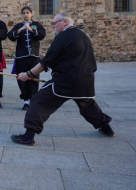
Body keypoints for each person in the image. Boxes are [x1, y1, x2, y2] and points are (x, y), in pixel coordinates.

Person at [11, 13, 114, 146]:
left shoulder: (64, 37)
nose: (53, 26)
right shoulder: (82, 35)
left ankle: (28, 136)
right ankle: (107, 129)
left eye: (55, 23)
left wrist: (28, 74)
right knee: (87, 105)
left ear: (65, 22)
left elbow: (47, 61)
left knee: (38, 101)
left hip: (66, 81)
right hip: (85, 81)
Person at [8, 6, 46, 110]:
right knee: (21, 78)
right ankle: (25, 101)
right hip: (21, 57)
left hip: (33, 56)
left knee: (33, 78)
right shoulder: (18, 26)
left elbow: (42, 35)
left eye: (27, 13)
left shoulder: (36, 25)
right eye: (24, 13)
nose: (26, 15)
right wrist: (19, 30)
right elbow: (10, 36)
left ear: (31, 14)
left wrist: (31, 30)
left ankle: (33, 100)